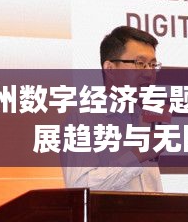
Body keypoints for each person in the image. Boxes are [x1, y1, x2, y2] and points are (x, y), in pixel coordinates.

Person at [62, 26, 163, 192]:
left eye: (152, 65)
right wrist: (136, 156)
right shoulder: (83, 120)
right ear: (110, 68)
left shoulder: (147, 118)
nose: (149, 73)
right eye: (140, 63)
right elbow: (79, 187)